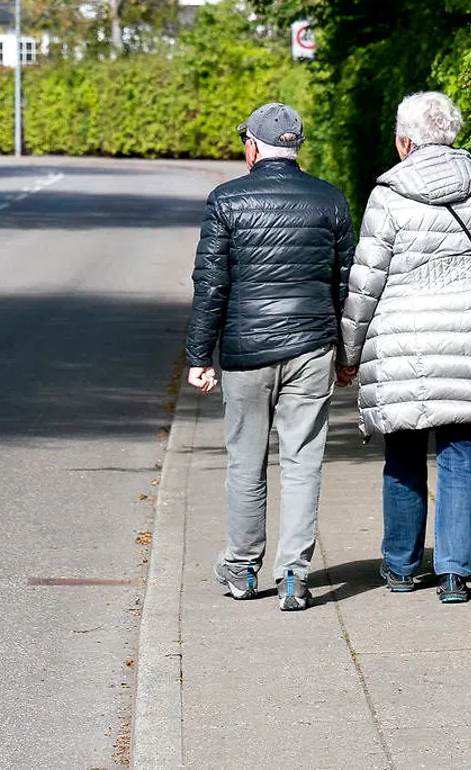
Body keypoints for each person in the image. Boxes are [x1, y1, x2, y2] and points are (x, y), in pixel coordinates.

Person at [338, 91, 471, 604]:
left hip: (403, 342)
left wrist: (348, 352)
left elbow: (365, 282)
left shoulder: (389, 193)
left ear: (404, 141)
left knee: (402, 450)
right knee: (463, 453)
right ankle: (453, 574)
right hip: (470, 334)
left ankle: (400, 567)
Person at [185, 102, 355, 612]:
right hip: (312, 347)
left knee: (245, 460)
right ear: (295, 147)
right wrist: (347, 354)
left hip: (245, 350)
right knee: (303, 462)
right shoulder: (330, 201)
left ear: (253, 147)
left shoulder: (226, 201)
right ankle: (293, 576)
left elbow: (211, 284)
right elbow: (347, 285)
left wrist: (199, 354)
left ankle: (241, 567)